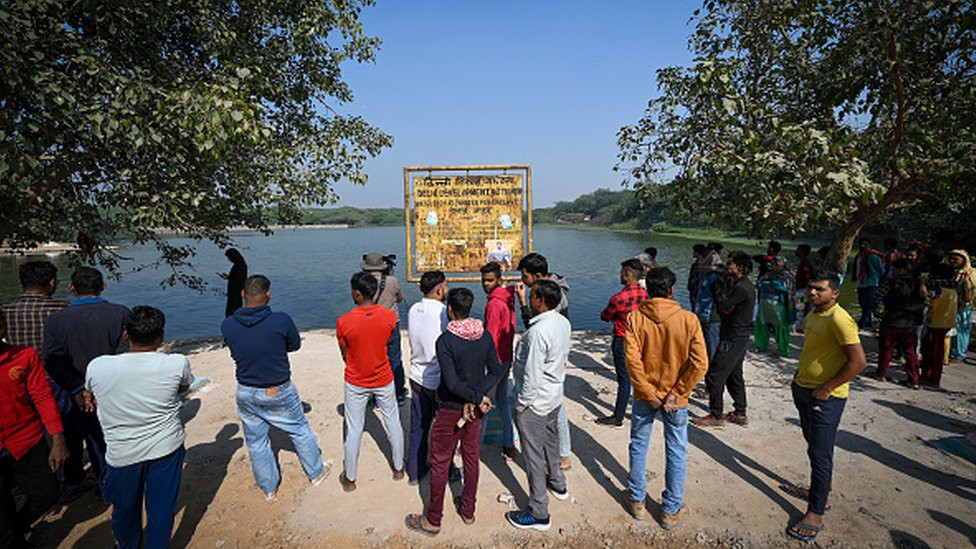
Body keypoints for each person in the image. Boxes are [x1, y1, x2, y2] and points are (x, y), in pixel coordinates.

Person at [85, 306, 194, 549]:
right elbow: (183, 387)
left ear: (126, 334)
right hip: (165, 447)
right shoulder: (176, 363)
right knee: (162, 509)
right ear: (161, 336)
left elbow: (91, 391)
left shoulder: (98, 366)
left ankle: (127, 545)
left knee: (124, 510)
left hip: (122, 452)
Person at [221, 275, 330, 501]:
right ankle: (316, 472)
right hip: (277, 389)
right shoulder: (281, 320)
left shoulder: (228, 325)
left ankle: (269, 488)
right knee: (299, 430)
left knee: (256, 441)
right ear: (268, 294)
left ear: (243, 294)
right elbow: (294, 344)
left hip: (246, 390)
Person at [405, 288, 503, 535]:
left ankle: (433, 519)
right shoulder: (484, 336)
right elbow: (495, 370)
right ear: (469, 308)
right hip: (475, 411)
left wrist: (474, 397)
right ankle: (468, 510)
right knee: (471, 457)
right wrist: (478, 396)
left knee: (440, 462)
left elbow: (451, 383)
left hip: (450, 409)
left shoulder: (446, 341)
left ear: (449, 310)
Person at [783, 269, 866, 543]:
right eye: (811, 287)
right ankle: (819, 492)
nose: (813, 292)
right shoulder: (813, 314)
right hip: (804, 388)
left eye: (820, 289)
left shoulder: (840, 319)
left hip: (826, 397)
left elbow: (858, 362)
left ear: (835, 293)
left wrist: (827, 387)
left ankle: (816, 512)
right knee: (813, 445)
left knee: (821, 454)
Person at [624, 267, 707, 528]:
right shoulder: (689, 320)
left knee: (639, 444)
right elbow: (700, 363)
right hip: (675, 401)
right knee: (676, 450)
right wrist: (677, 392)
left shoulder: (635, 318)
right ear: (672, 290)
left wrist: (649, 393)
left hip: (645, 396)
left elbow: (632, 362)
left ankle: (637, 500)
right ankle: (670, 510)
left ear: (648, 290)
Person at [43, 267, 130, 492]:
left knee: (75, 436)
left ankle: (74, 482)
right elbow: (125, 351)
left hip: (73, 391)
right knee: (107, 439)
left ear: (72, 288)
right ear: (103, 286)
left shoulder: (55, 321)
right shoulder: (121, 313)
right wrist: (104, 383)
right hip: (111, 388)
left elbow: (53, 360)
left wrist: (77, 388)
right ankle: (108, 485)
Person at [0, 261, 77, 499]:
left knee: (27, 438)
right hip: (54, 382)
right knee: (62, 433)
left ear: (21, 282)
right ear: (52, 283)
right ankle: (67, 481)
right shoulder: (63, 310)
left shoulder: (5, 310)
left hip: (14, 385)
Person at [505, 280, 571, 531]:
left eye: (532, 296)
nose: (529, 299)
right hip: (553, 396)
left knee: (533, 455)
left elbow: (532, 375)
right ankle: (558, 483)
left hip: (536, 401)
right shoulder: (562, 322)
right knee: (551, 442)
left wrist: (522, 405)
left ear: (541, 301)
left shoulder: (537, 333)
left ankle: (538, 511)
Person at [0, 312, 68, 548]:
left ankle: (16, 527)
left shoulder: (25, 356)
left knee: (47, 493)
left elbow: (42, 396)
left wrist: (57, 439)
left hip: (26, 439)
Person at [336, 272, 405, 491]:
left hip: (356, 380)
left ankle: (350, 477)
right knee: (393, 421)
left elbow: (345, 354)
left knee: (354, 429)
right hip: (383, 377)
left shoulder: (344, 322)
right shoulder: (389, 317)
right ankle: (398, 468)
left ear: (357, 293)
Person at [513, 252, 572, 470]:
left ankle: (562, 455)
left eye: (525, 276)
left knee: (556, 408)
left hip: (551, 355)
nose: (523, 280)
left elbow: (536, 325)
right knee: (555, 405)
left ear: (537, 276)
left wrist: (522, 404)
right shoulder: (549, 290)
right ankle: (560, 455)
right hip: (554, 352)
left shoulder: (552, 296)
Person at [693, 252, 756, 427]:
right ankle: (740, 412)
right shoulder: (742, 285)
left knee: (714, 374)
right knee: (734, 374)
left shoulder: (742, 288)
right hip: (738, 335)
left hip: (733, 336)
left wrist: (719, 294)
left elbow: (723, 307)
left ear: (740, 268)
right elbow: (726, 308)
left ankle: (716, 415)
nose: (727, 267)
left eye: (730, 264)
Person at [405, 271, 448, 484]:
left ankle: (414, 471)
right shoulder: (443, 312)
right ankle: (446, 471)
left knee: (418, 426)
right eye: (446, 286)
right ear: (439, 290)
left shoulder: (414, 309)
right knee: (443, 430)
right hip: (437, 378)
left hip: (416, 374)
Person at [596, 258, 648, 427]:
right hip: (641, 340)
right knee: (640, 376)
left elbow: (605, 316)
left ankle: (618, 416)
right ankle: (643, 412)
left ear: (627, 274)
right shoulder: (646, 295)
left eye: (621, 273)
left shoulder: (618, 298)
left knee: (624, 380)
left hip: (623, 340)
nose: (619, 275)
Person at [480, 261, 517, 458]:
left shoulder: (494, 304)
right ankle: (508, 443)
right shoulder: (508, 297)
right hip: (506, 356)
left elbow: (490, 336)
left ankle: (474, 445)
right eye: (484, 280)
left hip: (495, 360)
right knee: (502, 399)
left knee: (482, 399)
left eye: (490, 280)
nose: (486, 284)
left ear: (498, 279)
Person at [361, 252, 408, 404]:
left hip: (370, 324)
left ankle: (374, 395)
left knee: (373, 360)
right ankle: (398, 392)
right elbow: (400, 298)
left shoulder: (362, 282)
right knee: (395, 359)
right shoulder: (392, 281)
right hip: (391, 324)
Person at [872, 259, 924, 388]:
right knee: (910, 352)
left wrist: (877, 313)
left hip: (892, 319)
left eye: (894, 269)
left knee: (886, 349)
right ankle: (914, 380)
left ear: (902, 270)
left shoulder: (890, 282)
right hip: (910, 322)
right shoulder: (919, 284)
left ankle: (881, 373)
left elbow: (878, 297)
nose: (892, 271)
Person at [919, 264, 959, 388]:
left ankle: (932, 377)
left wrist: (922, 284)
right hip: (946, 324)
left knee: (932, 352)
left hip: (936, 323)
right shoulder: (953, 290)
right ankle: (932, 376)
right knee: (937, 351)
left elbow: (925, 294)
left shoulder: (939, 290)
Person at [754, 241, 794, 357]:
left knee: (781, 327)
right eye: (773, 263)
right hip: (764, 303)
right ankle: (760, 345)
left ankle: (782, 350)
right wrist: (766, 285)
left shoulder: (787, 276)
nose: (773, 266)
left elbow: (790, 290)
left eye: (776, 264)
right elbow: (758, 284)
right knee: (761, 324)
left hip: (779, 305)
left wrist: (778, 287)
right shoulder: (767, 274)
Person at [694, 255, 724, 363]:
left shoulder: (715, 278)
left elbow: (719, 298)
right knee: (707, 345)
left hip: (710, 316)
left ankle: (712, 367)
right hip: (705, 315)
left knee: (712, 346)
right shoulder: (709, 277)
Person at [948, 250, 975, 361]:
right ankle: (952, 351)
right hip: (951, 304)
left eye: (956, 259)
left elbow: (971, 290)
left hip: (963, 305)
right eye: (951, 259)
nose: (952, 261)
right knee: (952, 329)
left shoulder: (969, 273)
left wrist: (963, 301)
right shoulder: (953, 272)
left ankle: (960, 353)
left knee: (961, 329)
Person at [852, 239, 885, 329]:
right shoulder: (858, 256)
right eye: (861, 244)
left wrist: (877, 278)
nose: (862, 246)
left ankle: (862, 323)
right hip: (861, 283)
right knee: (862, 303)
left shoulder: (873, 256)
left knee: (868, 303)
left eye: (865, 244)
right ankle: (868, 321)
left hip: (871, 283)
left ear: (869, 245)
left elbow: (881, 270)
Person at [220, 248, 248, 317]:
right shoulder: (240, 265)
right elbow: (237, 277)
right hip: (236, 292)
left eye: (228, 257)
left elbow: (240, 280)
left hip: (235, 293)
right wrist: (229, 277)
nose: (228, 259)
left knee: (232, 311)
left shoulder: (239, 266)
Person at [793, 244, 814, 333]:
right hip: (800, 288)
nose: (796, 251)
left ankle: (801, 327)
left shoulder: (806, 264)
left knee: (801, 307)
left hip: (803, 289)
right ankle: (800, 326)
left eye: (799, 249)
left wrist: (806, 289)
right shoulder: (803, 262)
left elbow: (807, 277)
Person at [687, 244, 708, 313]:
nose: (693, 253)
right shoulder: (704, 264)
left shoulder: (698, 266)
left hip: (696, 292)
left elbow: (694, 279)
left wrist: (692, 288)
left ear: (698, 253)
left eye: (694, 251)